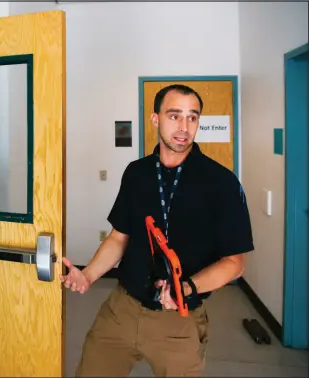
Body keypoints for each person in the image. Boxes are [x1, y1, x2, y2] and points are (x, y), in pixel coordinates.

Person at [61, 84, 254, 377]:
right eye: (174, 116)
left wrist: (186, 288)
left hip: (179, 320)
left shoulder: (222, 183)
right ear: (155, 119)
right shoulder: (136, 173)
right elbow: (118, 237)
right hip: (121, 310)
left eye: (193, 117)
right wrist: (87, 275)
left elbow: (235, 264)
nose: (184, 127)